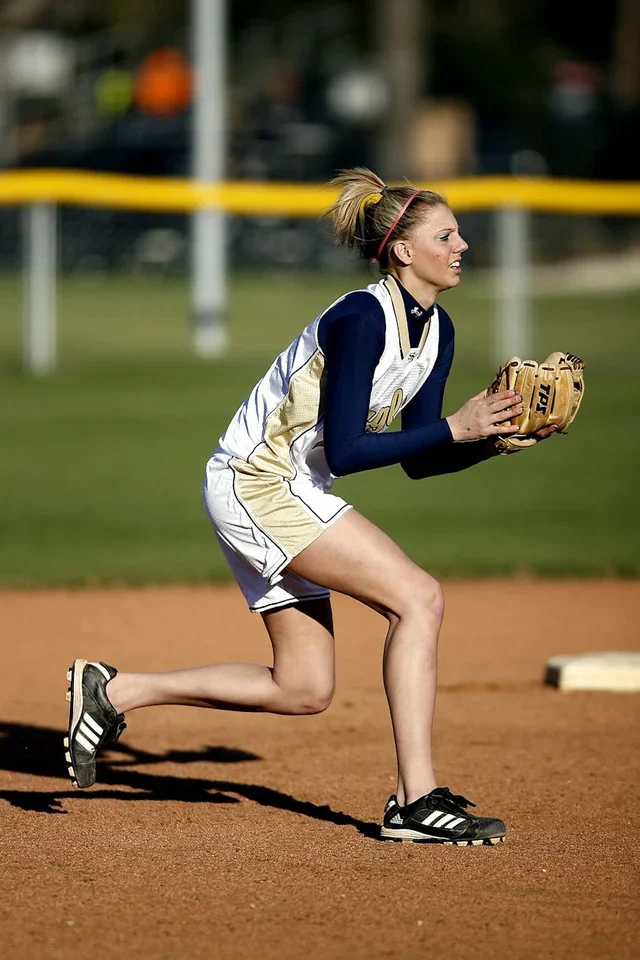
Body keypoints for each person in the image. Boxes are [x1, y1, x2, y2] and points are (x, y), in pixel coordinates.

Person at [64, 167, 557, 844]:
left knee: (303, 688)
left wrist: (492, 440)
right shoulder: (361, 318)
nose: (462, 246)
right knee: (418, 598)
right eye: (446, 235)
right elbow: (350, 450)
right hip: (258, 481)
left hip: (288, 487)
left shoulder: (436, 331)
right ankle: (415, 801)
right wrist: (457, 427)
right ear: (403, 251)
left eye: (458, 234)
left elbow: (418, 457)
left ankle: (115, 692)